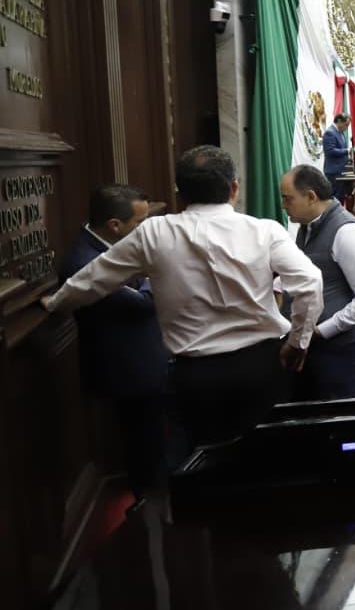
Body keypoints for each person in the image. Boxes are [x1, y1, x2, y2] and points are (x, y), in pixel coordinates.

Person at [44, 145, 324, 448]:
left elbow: (91, 281)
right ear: (234, 188)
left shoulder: (154, 233)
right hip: (262, 367)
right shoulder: (265, 231)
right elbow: (310, 282)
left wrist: (56, 304)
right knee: (268, 455)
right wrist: (298, 342)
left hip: (196, 376)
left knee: (203, 462)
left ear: (181, 194)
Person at [61, 184, 172, 499]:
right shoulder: (85, 262)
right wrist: (155, 278)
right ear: (114, 225)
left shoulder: (114, 245)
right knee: (143, 448)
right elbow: (143, 302)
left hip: (145, 363)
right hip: (128, 371)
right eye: (139, 222)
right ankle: (148, 508)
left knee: (153, 442)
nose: (144, 229)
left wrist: (149, 279)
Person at [280, 165, 355, 401]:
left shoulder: (347, 233)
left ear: (311, 196)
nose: (284, 205)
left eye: (288, 198)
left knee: (332, 416)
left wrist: (320, 330)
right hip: (313, 343)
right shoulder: (306, 226)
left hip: (341, 348)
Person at [323, 113, 352, 202]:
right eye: (346, 125)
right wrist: (346, 151)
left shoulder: (340, 133)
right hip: (334, 173)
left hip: (341, 172)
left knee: (340, 200)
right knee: (334, 201)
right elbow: (330, 151)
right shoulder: (330, 132)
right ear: (339, 121)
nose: (346, 128)